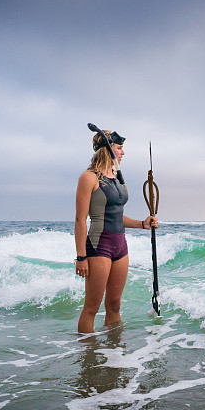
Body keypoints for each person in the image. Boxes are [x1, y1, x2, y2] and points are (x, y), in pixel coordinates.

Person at [74, 130, 157, 334]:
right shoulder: (89, 178)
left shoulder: (118, 178)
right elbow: (80, 220)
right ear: (108, 149)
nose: (123, 153)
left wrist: (142, 224)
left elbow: (116, 215)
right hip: (98, 246)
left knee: (114, 305)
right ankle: (87, 357)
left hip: (120, 246)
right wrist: (81, 257)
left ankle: (114, 355)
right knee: (92, 307)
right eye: (119, 148)